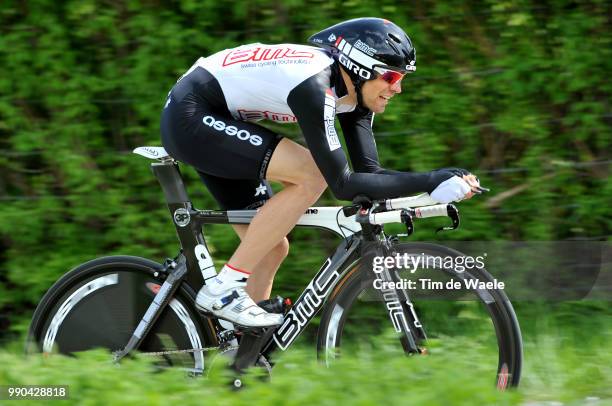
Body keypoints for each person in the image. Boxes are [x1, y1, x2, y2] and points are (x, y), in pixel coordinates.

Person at [160, 17, 480, 328]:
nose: (397, 89)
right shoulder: (315, 84)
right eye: (391, 78)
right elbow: (342, 184)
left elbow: (370, 173)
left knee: (271, 247)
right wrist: (430, 179)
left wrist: (439, 177)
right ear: (360, 67)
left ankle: (241, 360)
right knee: (312, 175)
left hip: (216, 118)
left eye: (401, 79)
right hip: (191, 115)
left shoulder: (354, 97)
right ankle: (224, 290)